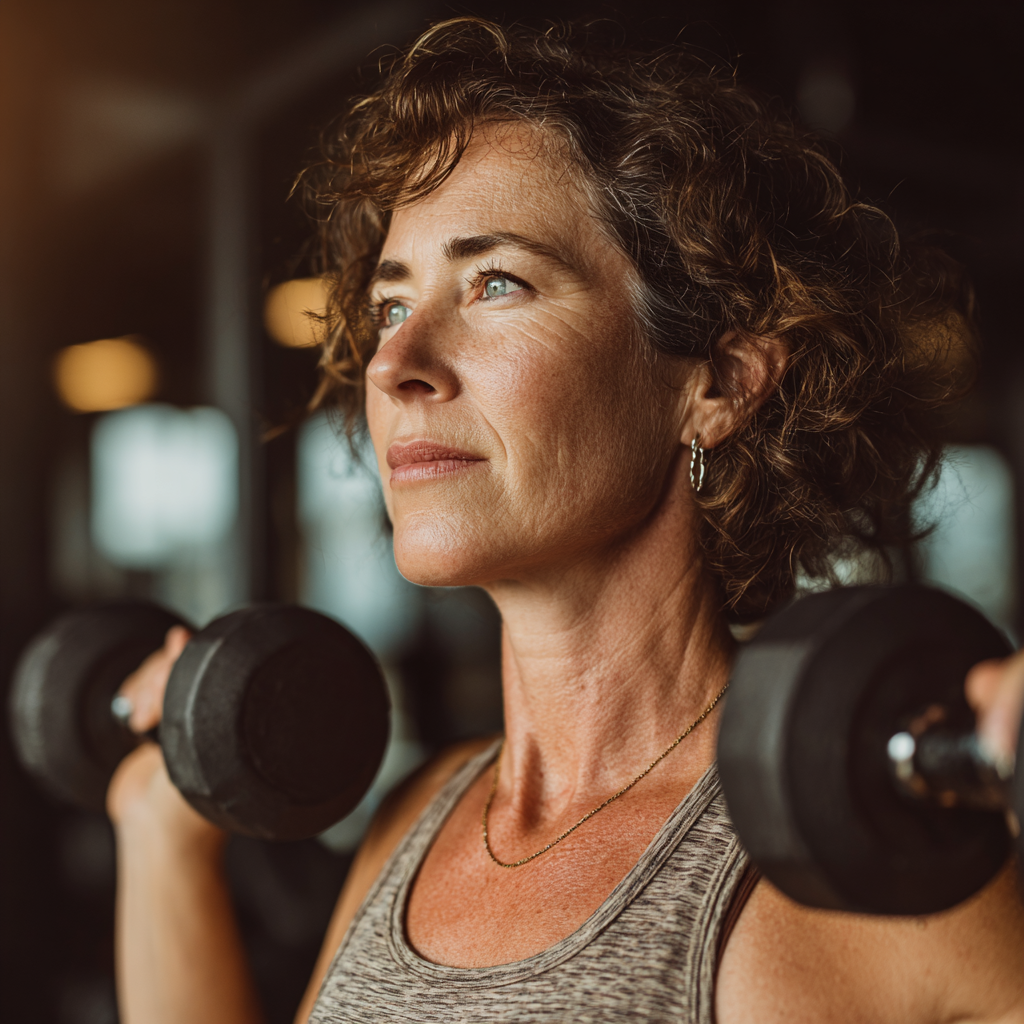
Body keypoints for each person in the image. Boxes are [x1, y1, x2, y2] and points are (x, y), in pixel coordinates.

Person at [107, 18, 1024, 1024]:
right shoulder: (417, 818)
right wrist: (162, 839)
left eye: (496, 281)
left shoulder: (878, 859)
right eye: (388, 305)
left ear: (714, 380)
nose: (393, 363)